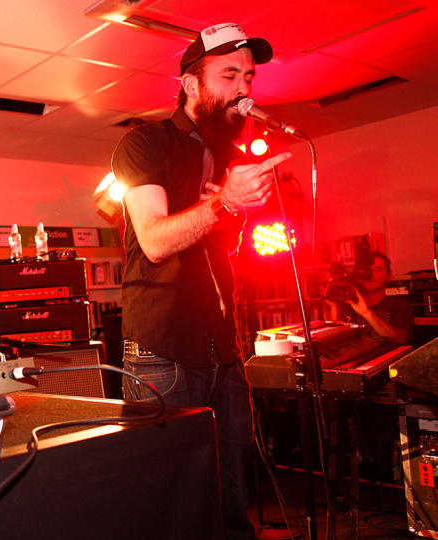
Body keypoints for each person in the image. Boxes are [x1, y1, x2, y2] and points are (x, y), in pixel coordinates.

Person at [112, 23, 291, 539]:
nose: (244, 89)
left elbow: (220, 251)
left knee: (231, 484)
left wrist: (229, 213)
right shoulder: (144, 142)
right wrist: (225, 202)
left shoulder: (226, 153)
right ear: (191, 84)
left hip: (223, 344)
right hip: (163, 345)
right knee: (169, 490)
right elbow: (155, 242)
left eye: (250, 77)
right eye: (229, 74)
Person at [326, 251, 414, 344]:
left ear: (388, 276)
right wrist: (334, 307)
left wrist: (366, 313)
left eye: (377, 270)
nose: (370, 275)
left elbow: (401, 339)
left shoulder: (401, 307)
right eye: (366, 271)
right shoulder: (349, 306)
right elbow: (336, 343)